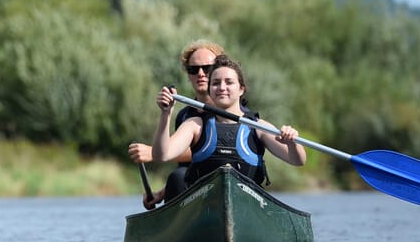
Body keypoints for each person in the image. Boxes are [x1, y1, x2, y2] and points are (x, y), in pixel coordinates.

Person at [151, 55, 306, 188]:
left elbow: (297, 160)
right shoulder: (195, 125)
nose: (222, 87)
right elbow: (161, 155)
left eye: (229, 82)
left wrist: (293, 142)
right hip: (204, 204)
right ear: (210, 89)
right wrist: (166, 114)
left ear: (241, 89)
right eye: (216, 83)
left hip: (247, 205)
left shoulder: (258, 127)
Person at [129, 39, 225, 208]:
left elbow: (213, 149)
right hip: (199, 193)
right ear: (188, 75)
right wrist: (161, 194)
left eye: (207, 68)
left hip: (227, 180)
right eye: (194, 69)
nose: (201, 74)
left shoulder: (231, 110)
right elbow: (188, 168)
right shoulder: (184, 116)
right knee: (178, 177)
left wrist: (153, 153)